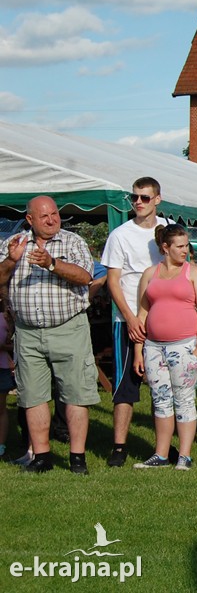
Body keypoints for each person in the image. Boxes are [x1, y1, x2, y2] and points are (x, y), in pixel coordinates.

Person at [0, 197, 96, 474]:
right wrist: (10, 260)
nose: (52, 220)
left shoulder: (72, 242)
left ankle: (77, 458)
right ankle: (41, 456)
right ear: (30, 219)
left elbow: (85, 275)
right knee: (33, 396)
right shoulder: (15, 244)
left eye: (55, 214)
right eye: (44, 216)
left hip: (69, 328)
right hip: (28, 332)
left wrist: (52, 263)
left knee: (76, 394)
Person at [101, 176, 169, 467]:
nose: (138, 203)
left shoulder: (167, 230)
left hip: (164, 320)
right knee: (125, 385)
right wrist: (129, 318)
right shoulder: (120, 234)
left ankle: (162, 449)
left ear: (157, 200)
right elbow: (113, 281)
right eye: (134, 197)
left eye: (144, 197)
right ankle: (119, 447)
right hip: (127, 318)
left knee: (163, 386)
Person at [132, 224, 197, 470]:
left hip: (184, 345)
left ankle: (184, 455)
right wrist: (138, 350)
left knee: (184, 399)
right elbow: (142, 312)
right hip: (154, 347)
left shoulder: (193, 273)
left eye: (186, 245)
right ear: (165, 248)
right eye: (180, 246)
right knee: (161, 399)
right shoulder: (150, 274)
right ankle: (161, 454)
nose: (185, 250)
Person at [0, 293, 13, 459]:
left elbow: (12, 342)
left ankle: (1, 445)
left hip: (2, 367)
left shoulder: (6, 314)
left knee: (1, 408)